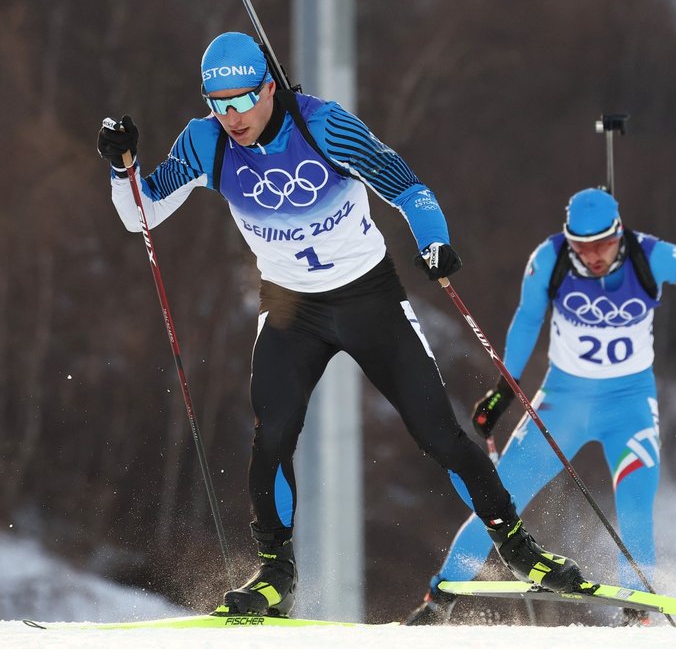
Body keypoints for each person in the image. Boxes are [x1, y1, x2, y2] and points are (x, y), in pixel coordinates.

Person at [96, 31, 587, 617]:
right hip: (290, 309)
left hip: (367, 299)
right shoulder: (207, 143)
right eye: (217, 104)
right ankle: (276, 574)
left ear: (269, 88)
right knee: (272, 434)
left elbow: (408, 187)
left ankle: (518, 548)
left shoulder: (323, 127)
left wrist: (435, 244)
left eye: (242, 100)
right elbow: (140, 214)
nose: (231, 117)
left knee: (437, 432)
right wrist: (121, 165)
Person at [405, 187, 676, 626]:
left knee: (636, 506)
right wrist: (503, 390)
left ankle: (635, 617)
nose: (593, 257)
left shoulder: (654, 256)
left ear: (619, 233)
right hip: (562, 403)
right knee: (497, 499)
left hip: (629, 407)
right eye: (582, 248)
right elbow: (528, 319)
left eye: (603, 245)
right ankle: (438, 603)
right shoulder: (549, 260)